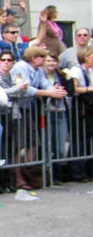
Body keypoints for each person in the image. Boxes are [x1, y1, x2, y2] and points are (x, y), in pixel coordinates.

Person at [10, 47, 67, 189]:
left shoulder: (38, 70)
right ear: (34, 58)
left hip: (29, 109)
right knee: (18, 144)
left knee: (34, 141)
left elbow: (46, 85)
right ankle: (18, 177)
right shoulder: (21, 66)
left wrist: (54, 91)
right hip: (15, 109)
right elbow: (26, 89)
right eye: (42, 56)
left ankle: (27, 173)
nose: (45, 59)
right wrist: (49, 93)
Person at [0, 51, 27, 193]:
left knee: (10, 150)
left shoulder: (15, 76)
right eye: (3, 60)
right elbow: (0, 93)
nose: (6, 62)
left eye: (9, 60)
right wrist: (16, 89)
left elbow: (21, 92)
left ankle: (8, 181)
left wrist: (16, 90)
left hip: (13, 115)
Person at [42, 53, 70, 184]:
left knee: (59, 147)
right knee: (48, 146)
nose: (51, 63)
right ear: (43, 62)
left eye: (53, 61)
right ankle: (49, 177)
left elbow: (70, 90)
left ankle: (58, 176)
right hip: (47, 113)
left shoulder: (61, 76)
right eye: (48, 60)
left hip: (60, 112)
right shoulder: (40, 75)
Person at [67, 45, 93, 182]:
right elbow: (74, 88)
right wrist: (89, 89)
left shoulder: (89, 71)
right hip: (78, 107)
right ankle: (76, 171)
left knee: (87, 139)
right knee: (78, 139)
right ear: (87, 57)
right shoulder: (76, 70)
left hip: (88, 108)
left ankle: (87, 171)